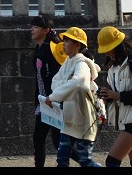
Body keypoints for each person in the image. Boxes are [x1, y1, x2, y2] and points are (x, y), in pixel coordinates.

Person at [44, 27, 102, 168]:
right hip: (70, 117)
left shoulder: (81, 64)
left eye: (67, 41)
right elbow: (54, 82)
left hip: (84, 118)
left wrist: (53, 97)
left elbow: (78, 83)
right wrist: (66, 83)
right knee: (62, 158)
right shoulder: (67, 63)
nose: (63, 44)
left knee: (85, 160)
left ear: (77, 45)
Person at [96, 26, 132, 168]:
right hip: (128, 117)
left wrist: (117, 95)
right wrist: (108, 95)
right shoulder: (113, 68)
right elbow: (119, 95)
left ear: (118, 46)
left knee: (112, 161)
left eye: (109, 49)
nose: (108, 54)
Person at [30, 15, 67, 168]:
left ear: (46, 30)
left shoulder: (52, 49)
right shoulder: (39, 48)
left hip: (54, 102)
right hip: (44, 103)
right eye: (32, 26)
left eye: (36, 27)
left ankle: (88, 162)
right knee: (38, 139)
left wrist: (55, 98)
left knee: (58, 141)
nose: (32, 29)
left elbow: (59, 75)